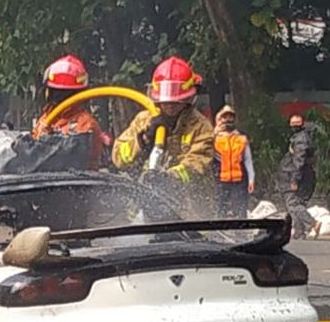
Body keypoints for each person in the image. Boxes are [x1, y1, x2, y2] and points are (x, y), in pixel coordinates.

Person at [112, 57, 214, 199]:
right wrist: (144, 139)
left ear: (189, 98)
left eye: (176, 102)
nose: (170, 106)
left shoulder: (201, 126)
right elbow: (119, 159)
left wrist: (168, 178)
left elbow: (197, 165)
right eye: (165, 101)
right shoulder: (143, 120)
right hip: (143, 204)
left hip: (187, 211)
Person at [33, 54, 106, 170]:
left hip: (75, 185)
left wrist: (46, 140)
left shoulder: (86, 124)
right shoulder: (46, 119)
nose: (59, 96)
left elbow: (70, 161)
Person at [277, 113, 318, 239]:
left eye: (297, 124)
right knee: (296, 204)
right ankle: (300, 232)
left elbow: (299, 161)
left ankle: (313, 223)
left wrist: (295, 179)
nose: (294, 126)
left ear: (302, 124)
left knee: (293, 204)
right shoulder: (298, 138)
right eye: (292, 124)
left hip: (297, 177)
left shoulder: (301, 140)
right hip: (297, 176)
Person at [213, 106, 256, 219]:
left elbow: (248, 159)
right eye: (225, 117)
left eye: (230, 117)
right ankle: (220, 229)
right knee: (220, 207)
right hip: (221, 178)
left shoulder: (241, 138)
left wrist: (251, 179)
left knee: (240, 207)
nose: (228, 120)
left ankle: (241, 230)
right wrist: (214, 133)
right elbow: (205, 153)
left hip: (239, 179)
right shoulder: (214, 138)